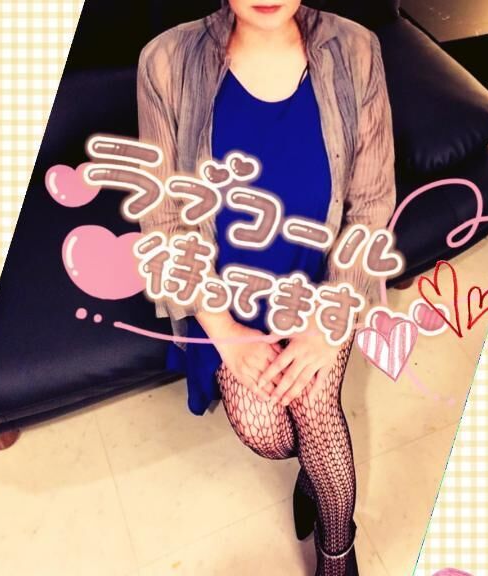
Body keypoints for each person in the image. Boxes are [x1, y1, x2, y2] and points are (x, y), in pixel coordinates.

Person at [136, 1, 396, 574]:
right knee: (268, 434)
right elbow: (164, 220)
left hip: (320, 283)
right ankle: (315, 474)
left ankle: (337, 552)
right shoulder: (165, 62)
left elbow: (373, 202)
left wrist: (330, 318)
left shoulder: (356, 50)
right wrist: (224, 330)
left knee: (315, 408)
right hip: (227, 297)